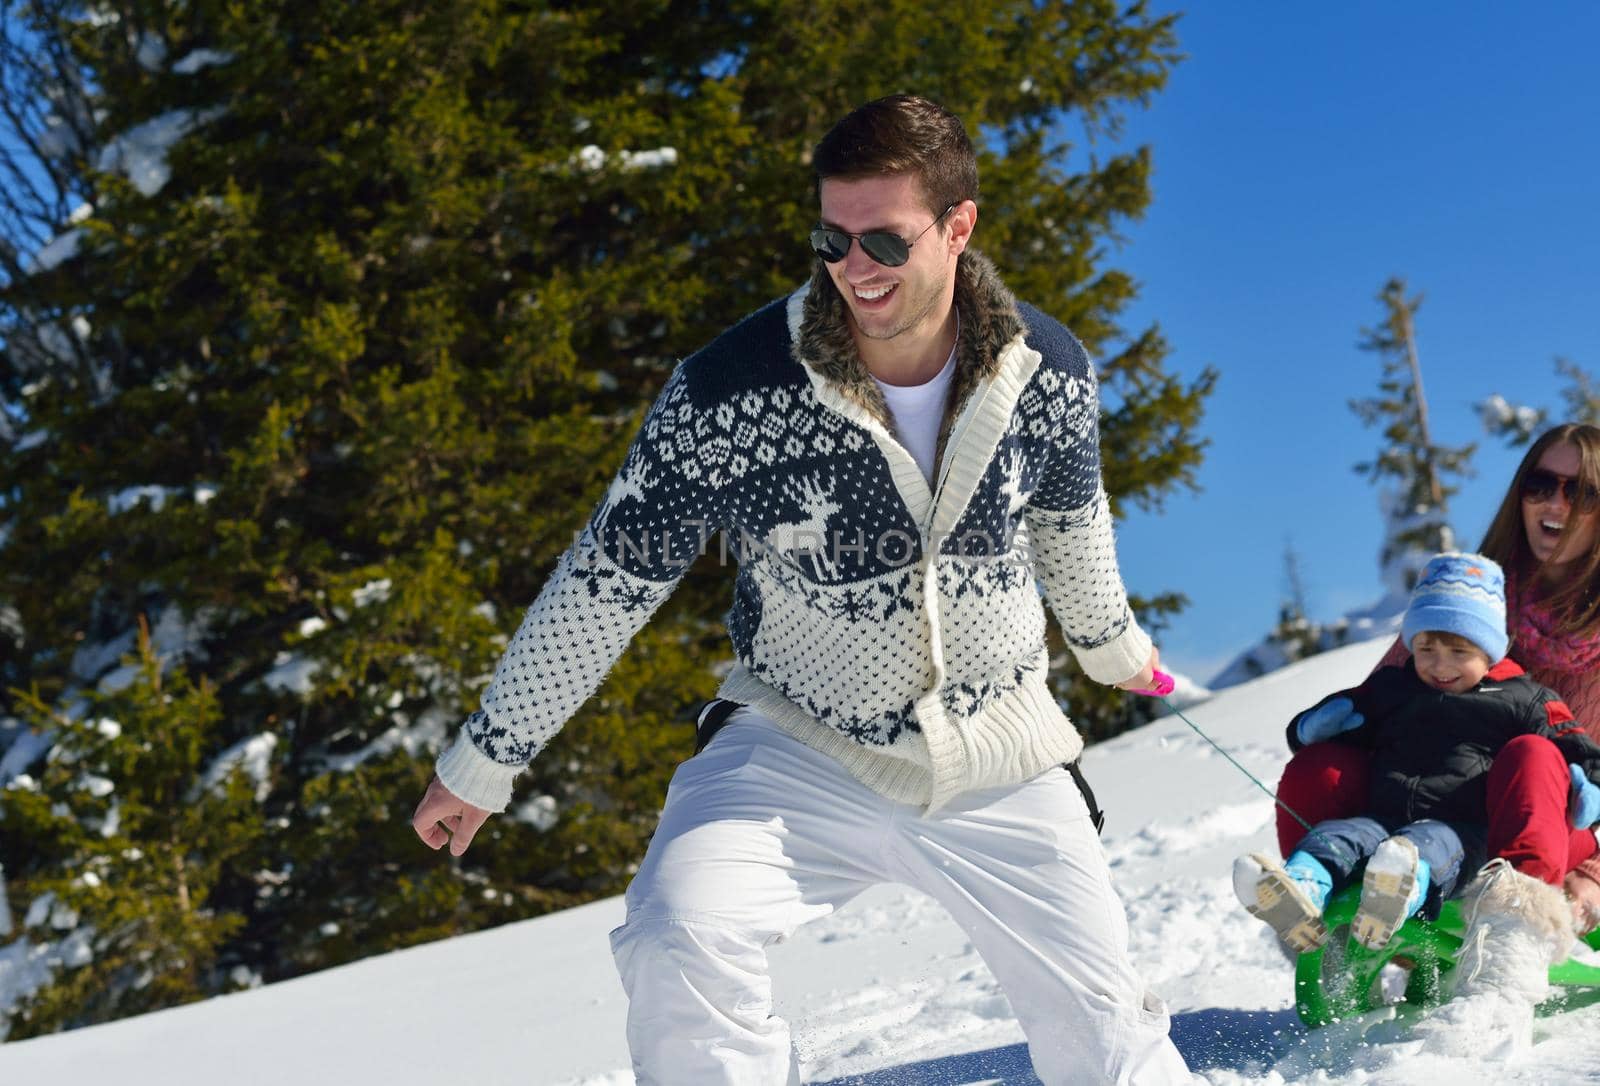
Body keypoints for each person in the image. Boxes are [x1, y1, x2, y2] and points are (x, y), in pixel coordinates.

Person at [410, 94, 1194, 1085]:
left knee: (1107, 1035)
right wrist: (485, 762)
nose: (852, 267)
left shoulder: (1048, 371)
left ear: (959, 227)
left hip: (998, 745)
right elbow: (606, 580)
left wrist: (1115, 650)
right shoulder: (727, 391)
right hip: (795, 744)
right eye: (830, 237)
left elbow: (1072, 531)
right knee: (674, 935)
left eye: (883, 239)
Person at [1275, 423, 1600, 1051]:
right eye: (1540, 484)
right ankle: (1338, 929)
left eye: (1580, 492)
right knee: (1324, 767)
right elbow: (1377, 713)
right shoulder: (1458, 603)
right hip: (1430, 814)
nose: (1554, 504)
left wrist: (1592, 881)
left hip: (1552, 835)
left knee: (1533, 754)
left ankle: (1512, 952)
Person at [1236, 553, 1600, 960]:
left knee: (1423, 847)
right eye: (1427, 648)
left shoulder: (1524, 699)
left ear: (1491, 651)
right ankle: (1300, 889)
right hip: (1383, 820)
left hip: (1464, 833)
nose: (1440, 665)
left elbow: (1571, 741)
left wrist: (1588, 782)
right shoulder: (1394, 688)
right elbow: (1340, 716)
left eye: (1459, 651)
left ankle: (1394, 901)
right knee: (1338, 837)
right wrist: (1310, 725)